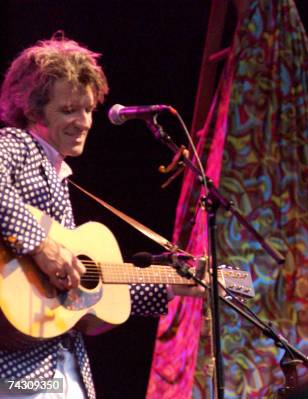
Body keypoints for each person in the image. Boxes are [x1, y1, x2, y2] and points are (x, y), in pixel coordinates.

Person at [0, 35, 201, 399]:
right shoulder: (15, 145)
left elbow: (91, 293)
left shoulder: (59, 175)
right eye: (68, 110)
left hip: (59, 369)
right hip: (14, 373)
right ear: (32, 110)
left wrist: (171, 284)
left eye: (88, 109)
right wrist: (42, 245)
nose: (84, 122)